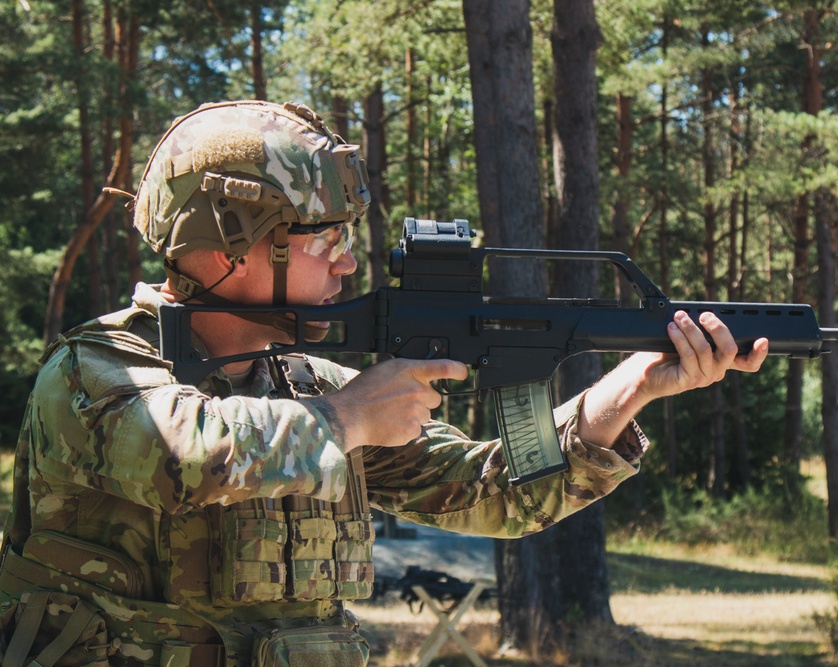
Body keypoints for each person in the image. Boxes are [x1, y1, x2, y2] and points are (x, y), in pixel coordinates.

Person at [0, 100, 768, 667]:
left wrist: (627, 392)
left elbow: (490, 492)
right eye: (324, 238)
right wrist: (348, 417)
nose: (344, 262)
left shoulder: (315, 383)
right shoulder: (93, 372)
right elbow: (185, 456)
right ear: (231, 245)